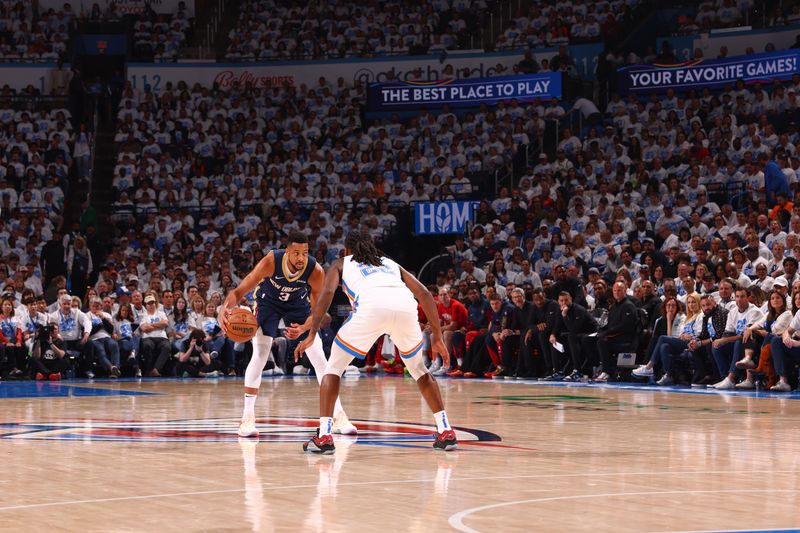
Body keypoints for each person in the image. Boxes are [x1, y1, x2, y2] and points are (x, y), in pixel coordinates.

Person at [294, 230, 456, 454]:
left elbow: (327, 293)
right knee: (419, 369)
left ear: (348, 250)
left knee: (333, 368)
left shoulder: (342, 263)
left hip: (370, 308)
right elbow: (425, 294)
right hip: (405, 307)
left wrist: (312, 333)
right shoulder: (390, 263)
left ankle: (324, 436)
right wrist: (437, 336)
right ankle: (445, 429)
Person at [219, 231, 356, 439]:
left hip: (298, 306)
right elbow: (238, 292)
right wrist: (224, 309)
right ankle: (247, 417)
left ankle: (338, 415)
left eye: (305, 253)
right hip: (268, 304)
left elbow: (318, 310)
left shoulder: (315, 270)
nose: (301, 258)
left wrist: (302, 329)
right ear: (287, 251)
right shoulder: (271, 261)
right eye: (296, 253)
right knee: (261, 352)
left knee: (319, 356)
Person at [709, 286, 765, 390]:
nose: (739, 299)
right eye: (737, 297)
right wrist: (722, 340)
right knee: (716, 346)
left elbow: (748, 334)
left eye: (742, 296)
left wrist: (724, 340)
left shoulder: (754, 311)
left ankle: (731, 378)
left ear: (748, 297)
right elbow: (728, 333)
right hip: (739, 342)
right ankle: (725, 378)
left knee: (739, 342)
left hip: (754, 344)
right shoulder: (733, 312)